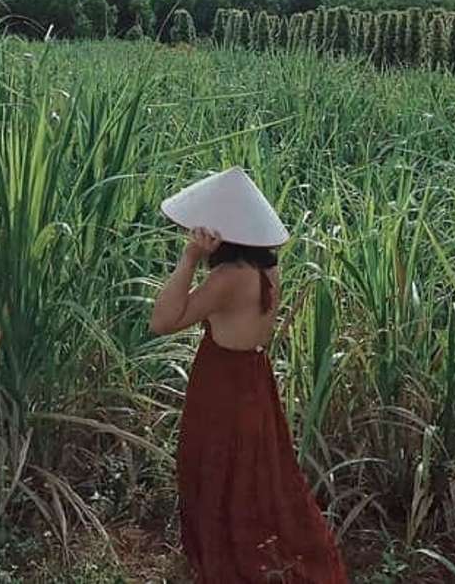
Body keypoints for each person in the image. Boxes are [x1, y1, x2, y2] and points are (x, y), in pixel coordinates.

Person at [149, 167, 348, 584]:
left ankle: (228, 559)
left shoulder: (229, 277)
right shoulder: (266, 271)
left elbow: (163, 321)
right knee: (256, 473)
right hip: (254, 376)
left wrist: (189, 258)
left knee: (216, 469)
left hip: (223, 381)